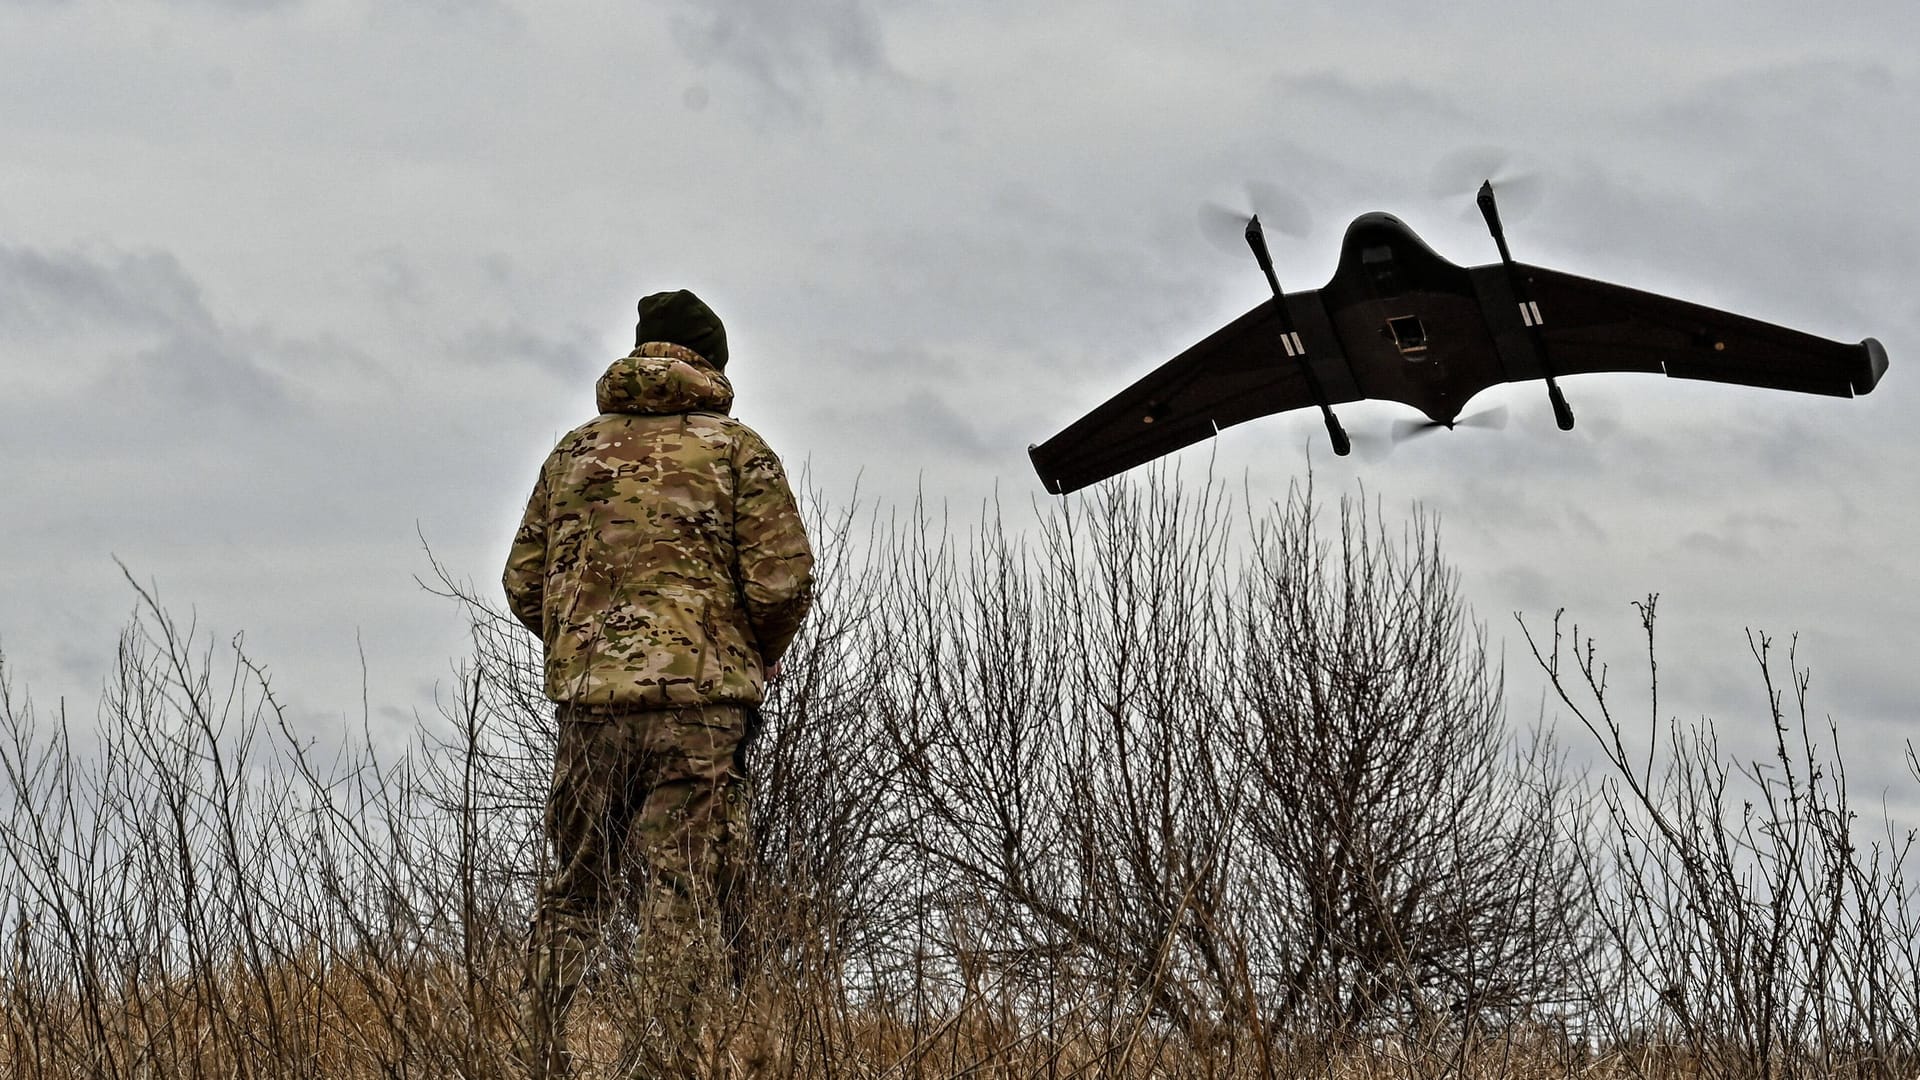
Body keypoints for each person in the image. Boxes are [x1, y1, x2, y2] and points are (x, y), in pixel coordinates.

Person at [503, 289, 813, 1077]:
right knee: (680, 896)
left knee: (574, 893)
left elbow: (521, 581)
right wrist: (758, 651)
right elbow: (780, 583)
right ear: (713, 361)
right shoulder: (739, 452)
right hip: (701, 711)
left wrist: (589, 647)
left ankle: (537, 1056)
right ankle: (658, 1064)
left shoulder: (574, 454)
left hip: (590, 710)